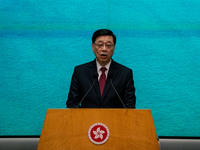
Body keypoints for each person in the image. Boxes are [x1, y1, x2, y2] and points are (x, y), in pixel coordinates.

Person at [66, 29, 136, 108]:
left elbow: (130, 105)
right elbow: (72, 103)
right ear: (93, 47)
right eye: (100, 45)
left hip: (115, 119)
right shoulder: (80, 72)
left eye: (108, 45)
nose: (104, 49)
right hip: (87, 119)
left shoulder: (125, 73)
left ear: (114, 48)